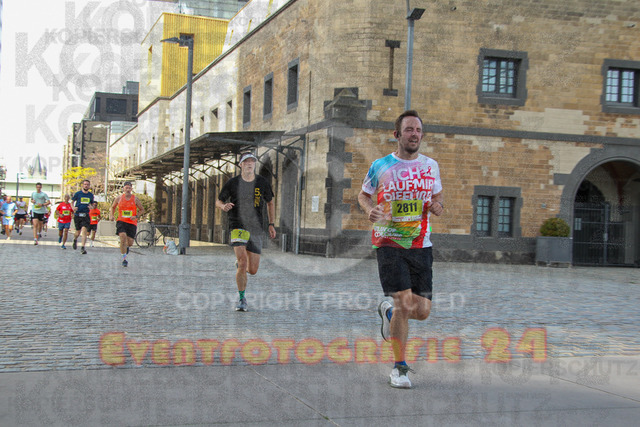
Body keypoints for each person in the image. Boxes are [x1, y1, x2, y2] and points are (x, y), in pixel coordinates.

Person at [358, 110, 444, 389]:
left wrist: (437, 206)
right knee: (404, 304)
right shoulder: (381, 165)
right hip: (389, 243)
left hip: (421, 244)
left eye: (418, 130)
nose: (414, 134)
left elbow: (438, 197)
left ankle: (389, 314)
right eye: (409, 129)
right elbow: (363, 194)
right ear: (397, 134)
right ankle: (399, 368)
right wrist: (369, 210)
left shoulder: (431, 166)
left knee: (422, 311)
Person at [215, 153, 276, 312]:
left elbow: (270, 203)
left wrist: (271, 224)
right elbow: (218, 201)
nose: (249, 164)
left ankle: (240, 265)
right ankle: (242, 299)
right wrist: (223, 206)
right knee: (243, 261)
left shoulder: (262, 182)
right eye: (246, 161)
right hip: (237, 225)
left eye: (252, 161)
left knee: (253, 270)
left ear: (255, 164)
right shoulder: (233, 183)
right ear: (241, 165)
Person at [110, 181, 144, 267]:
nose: (128, 189)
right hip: (121, 221)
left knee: (130, 242)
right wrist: (111, 215)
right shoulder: (119, 198)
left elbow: (142, 209)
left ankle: (127, 247)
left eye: (129, 188)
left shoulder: (135, 199)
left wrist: (136, 216)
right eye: (126, 188)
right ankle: (124, 259)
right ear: (123, 189)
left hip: (132, 223)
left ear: (131, 189)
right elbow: (113, 207)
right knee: (122, 237)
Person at [71, 179, 95, 254]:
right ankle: (75, 239)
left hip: (86, 215)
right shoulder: (78, 194)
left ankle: (82, 247)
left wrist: (91, 207)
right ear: (82, 185)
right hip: (78, 214)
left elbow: (92, 205)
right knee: (78, 232)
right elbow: (72, 202)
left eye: (87, 184)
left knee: (84, 231)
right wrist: (73, 207)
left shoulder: (90, 195)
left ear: (89, 186)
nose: (86, 186)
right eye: (85, 184)